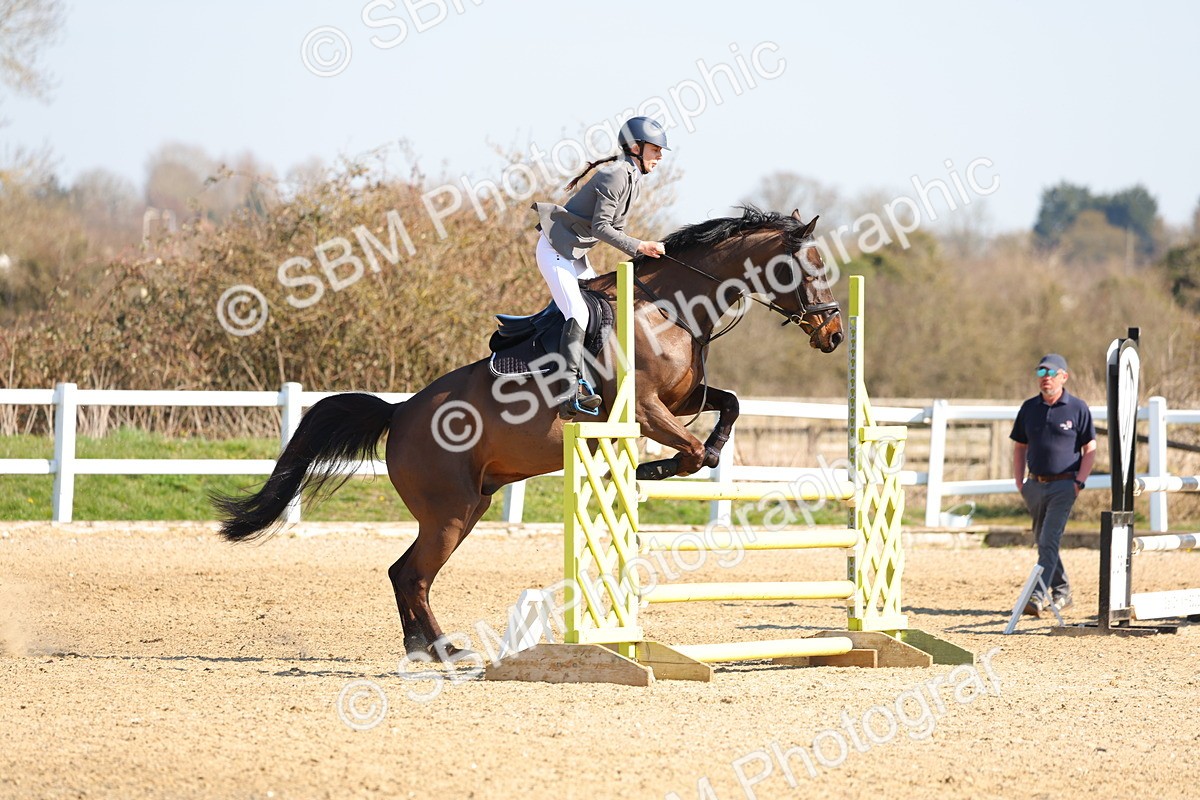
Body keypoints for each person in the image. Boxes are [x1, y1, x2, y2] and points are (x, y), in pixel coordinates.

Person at [530, 116, 669, 419]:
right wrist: (640, 246)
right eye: (655, 149)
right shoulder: (616, 175)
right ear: (635, 147)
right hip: (555, 250)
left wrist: (641, 250)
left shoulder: (632, 179)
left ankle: (595, 376)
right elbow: (602, 228)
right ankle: (567, 393)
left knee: (605, 307)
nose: (659, 156)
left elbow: (614, 230)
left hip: (574, 252)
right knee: (579, 312)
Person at [1010, 353, 1097, 616]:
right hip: (1034, 485)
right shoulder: (1029, 408)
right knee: (1043, 539)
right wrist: (1020, 481)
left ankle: (1036, 597)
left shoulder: (1078, 408)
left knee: (1048, 538)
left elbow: (1090, 447)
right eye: (1041, 372)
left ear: (1064, 377)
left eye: (1050, 373)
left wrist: (1079, 481)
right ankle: (1062, 592)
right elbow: (1020, 446)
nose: (1045, 378)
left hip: (1064, 485)